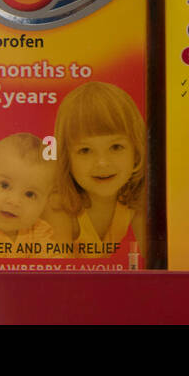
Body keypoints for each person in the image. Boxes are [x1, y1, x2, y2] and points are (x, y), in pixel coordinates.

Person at [44, 81, 147, 265]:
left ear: (136, 151)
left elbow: (155, 262)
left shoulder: (133, 199)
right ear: (67, 157)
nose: (102, 163)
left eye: (116, 147)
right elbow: (58, 273)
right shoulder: (58, 205)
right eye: (85, 150)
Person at [0, 132, 56, 253]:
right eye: (4, 185)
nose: (14, 201)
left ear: (45, 203)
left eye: (29, 194)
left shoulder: (38, 230)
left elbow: (53, 265)